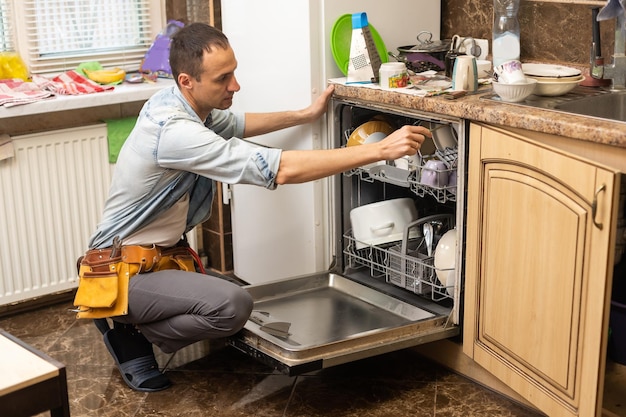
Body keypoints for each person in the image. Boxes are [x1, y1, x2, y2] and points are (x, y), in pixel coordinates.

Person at [82, 22, 432, 392]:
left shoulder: (182, 104)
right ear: (187, 80)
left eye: (234, 72)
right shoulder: (174, 131)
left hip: (161, 258)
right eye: (223, 78)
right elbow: (278, 170)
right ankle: (129, 329)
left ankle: (137, 319)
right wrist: (378, 150)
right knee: (232, 305)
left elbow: (236, 124)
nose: (235, 85)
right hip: (124, 271)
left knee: (224, 302)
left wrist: (303, 115)